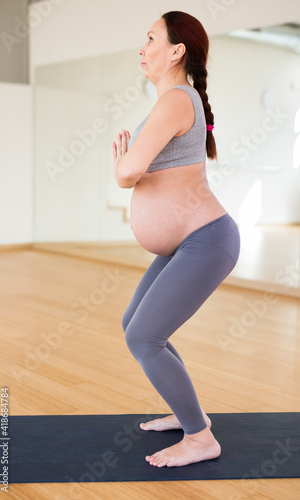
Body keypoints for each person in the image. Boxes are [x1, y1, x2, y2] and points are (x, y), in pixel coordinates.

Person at [111, 11, 240, 468]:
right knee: (137, 328)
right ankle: (190, 412)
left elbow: (128, 173)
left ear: (176, 51)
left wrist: (120, 164)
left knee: (145, 337)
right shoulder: (176, 101)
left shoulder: (175, 100)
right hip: (192, 242)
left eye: (150, 39)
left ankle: (200, 437)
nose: (142, 49)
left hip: (206, 240)